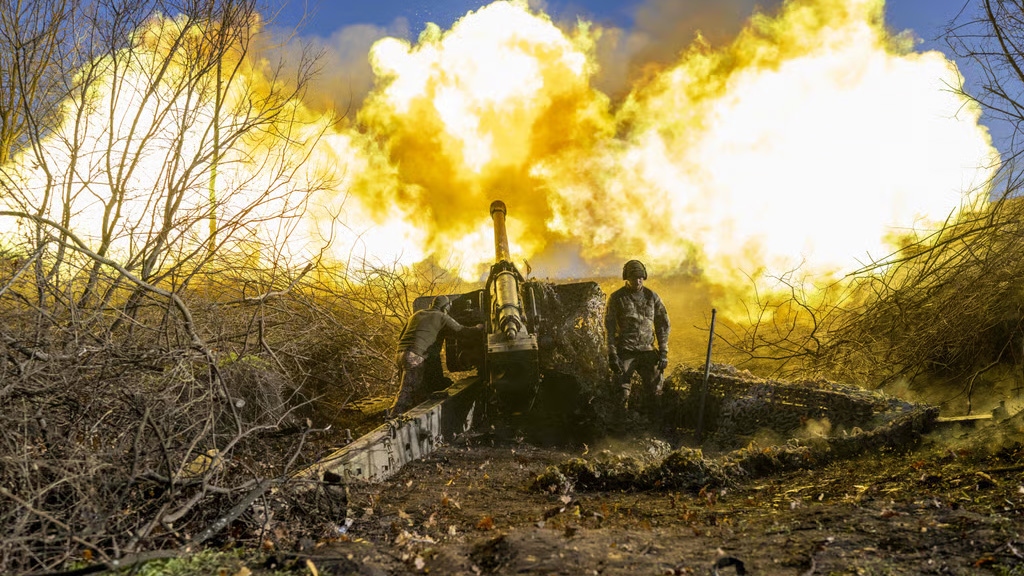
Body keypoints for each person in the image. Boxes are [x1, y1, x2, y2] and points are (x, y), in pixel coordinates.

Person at [390, 295, 483, 415]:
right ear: (446, 307)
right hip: (415, 356)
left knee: (419, 389)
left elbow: (402, 335)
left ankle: (408, 414)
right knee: (408, 390)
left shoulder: (417, 314)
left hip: (400, 354)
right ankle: (393, 417)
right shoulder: (442, 316)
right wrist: (478, 328)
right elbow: (462, 331)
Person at [604, 259, 670, 410]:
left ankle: (653, 429)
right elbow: (610, 327)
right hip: (626, 352)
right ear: (626, 278)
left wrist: (664, 352)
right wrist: (612, 354)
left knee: (656, 392)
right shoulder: (617, 298)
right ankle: (620, 429)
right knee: (621, 393)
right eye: (633, 277)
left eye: (640, 277)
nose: (637, 280)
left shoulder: (652, 297)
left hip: (647, 351)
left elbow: (663, 325)